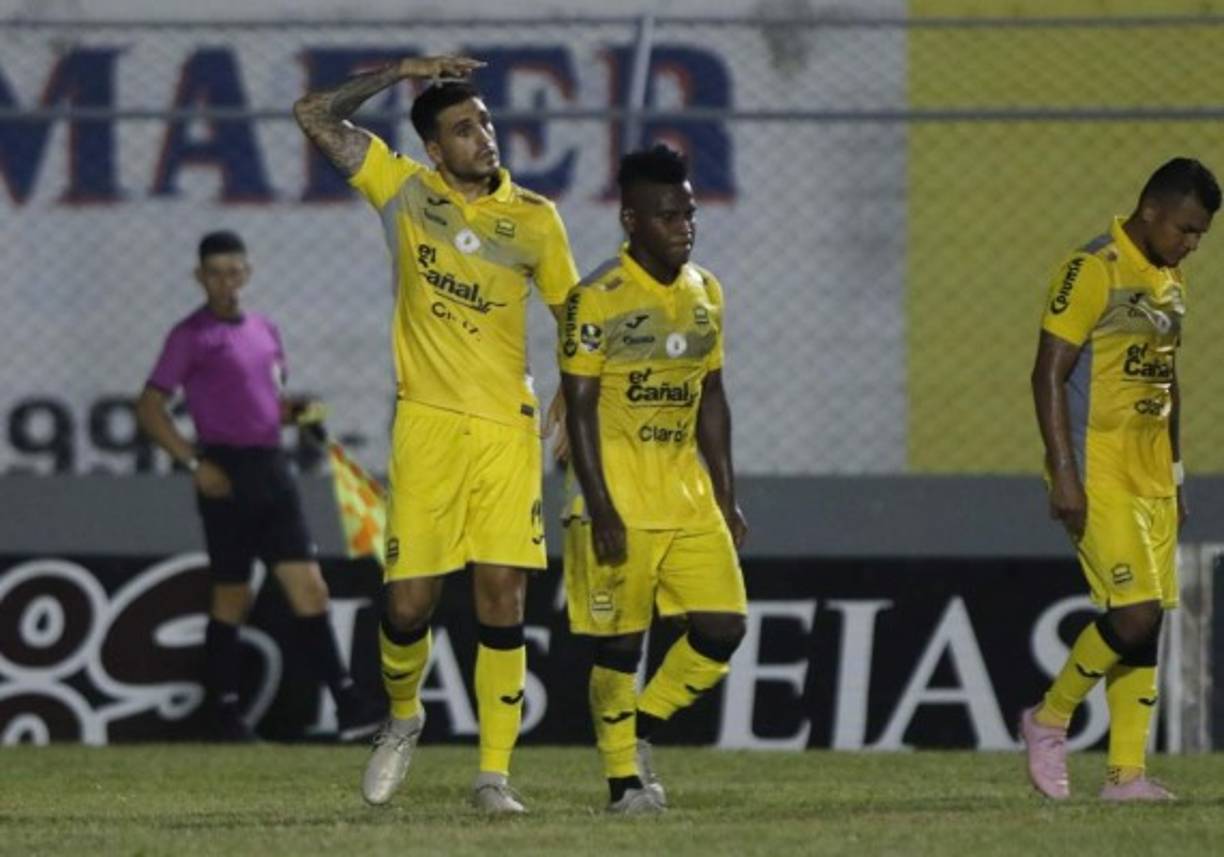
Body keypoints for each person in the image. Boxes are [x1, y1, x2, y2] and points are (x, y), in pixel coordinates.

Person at [293, 58, 579, 813]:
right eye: (462, 128)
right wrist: (403, 71)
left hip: (506, 430)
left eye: (484, 122)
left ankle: (493, 776)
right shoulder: (402, 190)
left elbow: (576, 315)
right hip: (425, 427)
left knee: (502, 595)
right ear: (432, 148)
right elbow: (314, 113)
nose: (483, 136)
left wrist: (571, 392)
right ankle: (403, 715)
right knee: (409, 605)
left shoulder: (537, 219)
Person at [135, 230, 385, 743]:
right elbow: (149, 407)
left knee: (310, 587)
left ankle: (349, 706)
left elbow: (267, 404)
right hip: (225, 472)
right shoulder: (191, 335)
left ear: (246, 274)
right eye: (215, 273)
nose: (226, 282)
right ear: (200, 277)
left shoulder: (264, 329)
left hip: (272, 468)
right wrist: (193, 462)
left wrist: (298, 413)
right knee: (231, 594)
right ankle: (223, 714)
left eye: (233, 272)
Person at [559, 144, 748, 814]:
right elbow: (579, 409)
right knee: (621, 643)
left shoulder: (707, 291)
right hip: (620, 498)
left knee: (724, 629)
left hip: (687, 497)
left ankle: (636, 729)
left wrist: (726, 495)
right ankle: (622, 784)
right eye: (668, 216)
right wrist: (601, 505)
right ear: (631, 219)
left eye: (688, 213)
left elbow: (712, 397)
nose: (684, 227)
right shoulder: (596, 298)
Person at [1024, 157, 1219, 801]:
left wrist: (1177, 475)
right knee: (1133, 615)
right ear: (1150, 211)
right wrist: (1064, 475)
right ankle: (1049, 718)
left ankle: (1125, 776)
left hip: (1152, 475)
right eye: (1186, 229)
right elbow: (1047, 374)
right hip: (1099, 471)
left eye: (1200, 235)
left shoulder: (1169, 279)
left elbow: (1167, 382)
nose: (1192, 244)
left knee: (1149, 620)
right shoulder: (1093, 269)